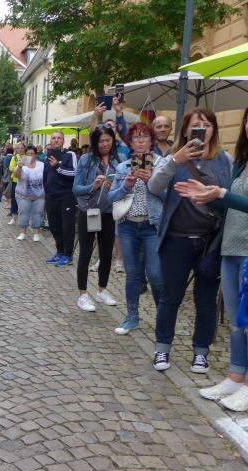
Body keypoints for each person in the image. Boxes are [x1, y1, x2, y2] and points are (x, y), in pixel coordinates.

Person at [176, 97, 248, 411]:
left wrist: (222, 193)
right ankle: (235, 377)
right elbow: (232, 205)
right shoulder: (243, 161)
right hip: (231, 248)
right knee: (237, 322)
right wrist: (207, 197)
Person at [148, 107, 233, 374]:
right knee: (170, 297)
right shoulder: (174, 157)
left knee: (205, 300)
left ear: (214, 130)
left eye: (207, 125)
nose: (201, 130)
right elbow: (154, 186)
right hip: (177, 239)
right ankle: (162, 348)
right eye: (196, 125)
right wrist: (175, 160)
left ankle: (201, 352)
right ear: (185, 130)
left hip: (210, 241)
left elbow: (232, 196)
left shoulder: (224, 159)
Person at [107, 122, 164, 335]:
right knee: (132, 274)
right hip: (128, 225)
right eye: (135, 137)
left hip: (152, 225)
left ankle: (163, 316)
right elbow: (111, 197)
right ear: (130, 142)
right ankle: (132, 316)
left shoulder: (161, 165)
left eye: (144, 136)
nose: (140, 141)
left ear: (151, 140)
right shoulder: (123, 167)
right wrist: (126, 186)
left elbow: (171, 197)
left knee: (155, 274)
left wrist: (152, 182)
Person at [72, 127, 122, 311]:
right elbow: (76, 188)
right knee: (85, 253)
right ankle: (83, 295)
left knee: (106, 254)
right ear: (95, 142)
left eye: (108, 140)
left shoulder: (118, 160)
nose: (105, 144)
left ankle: (102, 290)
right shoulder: (86, 160)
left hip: (108, 212)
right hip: (90, 211)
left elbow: (124, 188)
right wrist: (92, 186)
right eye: (101, 141)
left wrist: (115, 187)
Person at [43, 131, 78, 267]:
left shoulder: (70, 155)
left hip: (66, 196)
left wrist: (58, 166)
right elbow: (45, 177)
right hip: (51, 197)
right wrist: (46, 192)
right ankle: (59, 252)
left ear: (63, 141)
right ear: (50, 141)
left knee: (67, 227)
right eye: (54, 138)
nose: (56, 140)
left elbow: (74, 173)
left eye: (59, 138)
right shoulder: (47, 157)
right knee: (54, 226)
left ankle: (68, 255)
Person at [14, 145, 44, 242]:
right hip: (23, 195)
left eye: (32, 153)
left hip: (39, 195)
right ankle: (22, 233)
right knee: (23, 213)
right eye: (27, 154)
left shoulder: (41, 165)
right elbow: (16, 175)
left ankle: (36, 233)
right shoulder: (22, 164)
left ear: (36, 155)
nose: (30, 155)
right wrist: (19, 167)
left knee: (38, 213)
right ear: (25, 155)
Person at [7, 143, 25, 225]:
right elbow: (11, 168)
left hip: (25, 182)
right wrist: (19, 166)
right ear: (16, 149)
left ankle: (23, 218)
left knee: (24, 200)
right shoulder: (14, 157)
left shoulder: (27, 157)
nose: (20, 149)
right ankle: (13, 218)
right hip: (16, 181)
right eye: (19, 148)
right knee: (14, 200)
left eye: (22, 148)